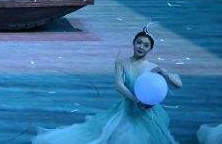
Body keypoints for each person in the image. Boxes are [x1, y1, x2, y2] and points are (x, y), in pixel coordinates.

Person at [33, 27, 182, 143]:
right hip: (128, 109)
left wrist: (166, 76)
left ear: (150, 49)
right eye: (139, 43)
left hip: (149, 112)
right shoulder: (122, 62)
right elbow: (119, 85)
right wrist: (135, 100)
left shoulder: (153, 67)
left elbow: (178, 85)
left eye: (146, 45)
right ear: (133, 43)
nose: (141, 47)